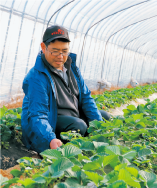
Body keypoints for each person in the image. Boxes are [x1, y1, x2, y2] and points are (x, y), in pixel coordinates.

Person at [21, 25, 110, 153]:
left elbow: (86, 98)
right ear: (43, 47)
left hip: (72, 116)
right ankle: (65, 149)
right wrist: (50, 139)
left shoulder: (72, 69)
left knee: (103, 116)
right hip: (51, 121)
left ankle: (85, 144)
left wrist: (100, 128)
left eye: (64, 51)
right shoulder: (37, 77)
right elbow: (38, 115)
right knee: (79, 125)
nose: (60, 56)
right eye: (55, 51)